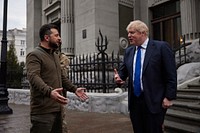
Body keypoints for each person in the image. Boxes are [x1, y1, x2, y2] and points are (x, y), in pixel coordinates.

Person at [114, 20, 177, 133]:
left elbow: (171, 74)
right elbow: (123, 73)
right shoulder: (129, 51)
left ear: (142, 33)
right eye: (128, 33)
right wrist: (119, 79)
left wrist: (169, 97)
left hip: (154, 101)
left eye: (132, 32)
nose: (129, 36)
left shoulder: (161, 47)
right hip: (135, 102)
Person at [26, 23, 89, 133]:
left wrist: (74, 89)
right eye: (56, 35)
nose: (59, 38)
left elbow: (61, 77)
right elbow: (33, 77)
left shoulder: (54, 55)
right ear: (46, 37)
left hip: (57, 109)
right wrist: (50, 92)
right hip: (42, 111)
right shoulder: (34, 55)